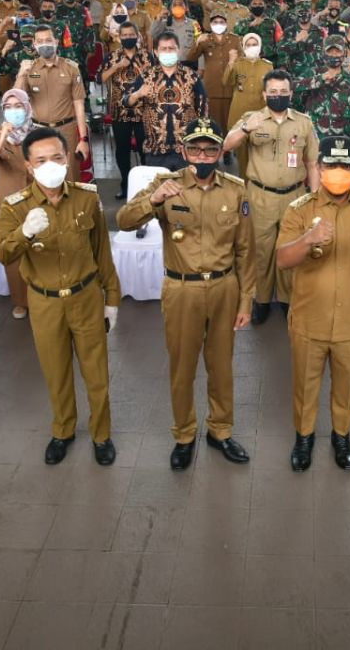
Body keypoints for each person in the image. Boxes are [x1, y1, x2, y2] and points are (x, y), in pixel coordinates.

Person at [117, 119, 255, 469]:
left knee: (221, 365)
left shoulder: (235, 190)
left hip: (224, 287)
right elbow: (123, 220)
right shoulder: (166, 185)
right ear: (183, 151)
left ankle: (220, 430)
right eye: (195, 148)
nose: (203, 156)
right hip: (181, 288)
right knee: (182, 367)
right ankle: (184, 433)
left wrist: (246, 300)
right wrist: (153, 199)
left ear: (221, 151)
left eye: (211, 149)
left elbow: (245, 251)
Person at [0, 127, 120, 466]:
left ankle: (101, 433)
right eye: (41, 160)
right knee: (56, 370)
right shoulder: (15, 207)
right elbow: (3, 255)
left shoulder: (86, 197)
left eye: (57, 158)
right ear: (29, 167)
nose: (50, 165)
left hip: (86, 297)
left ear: (67, 160)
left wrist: (112, 299)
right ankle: (63, 430)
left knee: (97, 371)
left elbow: (102, 252)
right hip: (45, 301)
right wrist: (23, 234)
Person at [277, 135, 350, 471]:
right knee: (305, 384)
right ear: (319, 167)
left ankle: (342, 437)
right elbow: (282, 259)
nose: (338, 171)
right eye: (331, 165)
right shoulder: (300, 210)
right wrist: (308, 238)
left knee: (347, 383)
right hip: (309, 319)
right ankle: (304, 437)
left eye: (346, 165)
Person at [222, 70, 320, 324]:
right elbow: (226, 145)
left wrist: (317, 201)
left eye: (283, 92)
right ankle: (262, 300)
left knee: (292, 249)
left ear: (291, 93)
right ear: (265, 94)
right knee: (261, 251)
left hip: (295, 197)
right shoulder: (251, 118)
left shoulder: (303, 122)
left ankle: (287, 300)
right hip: (260, 196)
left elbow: (312, 164)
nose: (278, 96)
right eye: (273, 92)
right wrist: (246, 128)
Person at [0, 89, 37, 319]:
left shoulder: (40, 133)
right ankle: (20, 301)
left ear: (27, 107)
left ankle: (40, 297)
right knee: (13, 257)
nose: (14, 111)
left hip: (36, 201)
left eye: (18, 106)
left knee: (38, 252)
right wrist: (3, 137)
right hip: (9, 203)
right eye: (9, 107)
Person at [124, 32, 208, 170]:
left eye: (171, 48)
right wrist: (137, 94)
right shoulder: (146, 77)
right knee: (159, 190)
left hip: (186, 151)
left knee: (185, 190)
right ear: (156, 52)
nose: (168, 52)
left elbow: (203, 108)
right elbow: (126, 102)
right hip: (155, 150)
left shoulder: (192, 76)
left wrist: (200, 143)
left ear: (178, 50)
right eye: (164, 49)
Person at [17, 23, 92, 169]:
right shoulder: (29, 68)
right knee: (42, 177)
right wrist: (21, 75)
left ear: (56, 42)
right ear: (34, 44)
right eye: (40, 41)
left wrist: (83, 139)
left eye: (48, 40)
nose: (44, 44)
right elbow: (16, 99)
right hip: (38, 131)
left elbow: (79, 105)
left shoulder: (71, 68)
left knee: (69, 176)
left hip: (67, 131)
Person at [100, 21, 155, 199]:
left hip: (143, 111)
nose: (128, 38)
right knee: (122, 151)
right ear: (119, 37)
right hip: (120, 111)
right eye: (124, 35)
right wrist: (116, 67)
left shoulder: (148, 56)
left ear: (137, 36)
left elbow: (157, 78)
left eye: (131, 34)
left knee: (144, 149)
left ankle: (147, 186)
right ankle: (125, 184)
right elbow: (100, 78)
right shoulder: (112, 56)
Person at [222, 32, 273, 170]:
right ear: (243, 48)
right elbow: (226, 81)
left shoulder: (267, 66)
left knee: (260, 153)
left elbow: (271, 89)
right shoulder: (238, 64)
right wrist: (231, 62)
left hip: (260, 115)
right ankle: (245, 186)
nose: (252, 47)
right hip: (240, 116)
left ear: (260, 46)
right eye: (248, 45)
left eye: (254, 44)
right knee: (242, 156)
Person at [186, 13, 241, 124]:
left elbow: (241, 60)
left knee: (230, 122)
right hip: (212, 87)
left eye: (221, 22)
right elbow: (191, 58)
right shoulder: (205, 39)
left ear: (226, 24)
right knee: (213, 122)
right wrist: (197, 42)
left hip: (230, 86)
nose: (218, 24)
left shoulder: (235, 39)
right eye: (215, 22)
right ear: (210, 24)